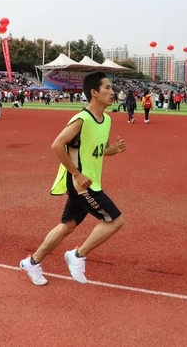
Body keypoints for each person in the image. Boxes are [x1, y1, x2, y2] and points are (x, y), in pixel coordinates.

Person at [20, 71, 127, 286]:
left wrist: (114, 150)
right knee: (115, 220)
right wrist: (77, 174)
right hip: (81, 184)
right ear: (94, 92)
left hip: (90, 181)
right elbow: (57, 145)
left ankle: (32, 262)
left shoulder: (106, 119)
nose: (112, 92)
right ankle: (78, 255)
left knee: (67, 226)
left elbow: (99, 150)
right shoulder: (81, 119)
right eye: (107, 88)